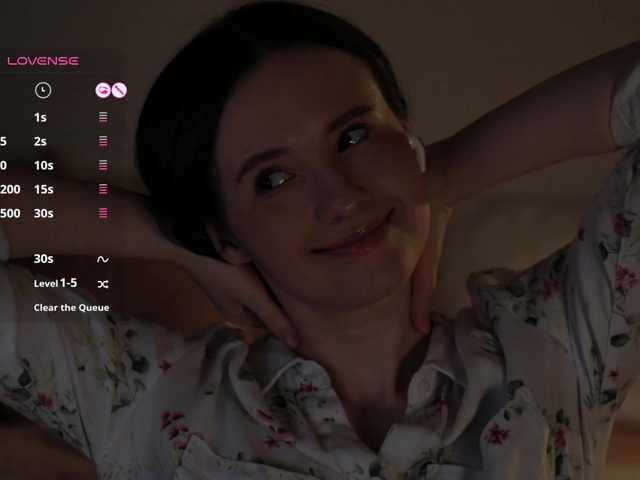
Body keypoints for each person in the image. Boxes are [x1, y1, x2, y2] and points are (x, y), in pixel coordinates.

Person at [0, 1, 639, 478]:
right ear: (224, 233)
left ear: (406, 134)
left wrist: (447, 172)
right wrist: (171, 235)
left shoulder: (555, 342)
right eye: (273, 179)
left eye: (354, 137)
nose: (341, 197)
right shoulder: (140, 396)